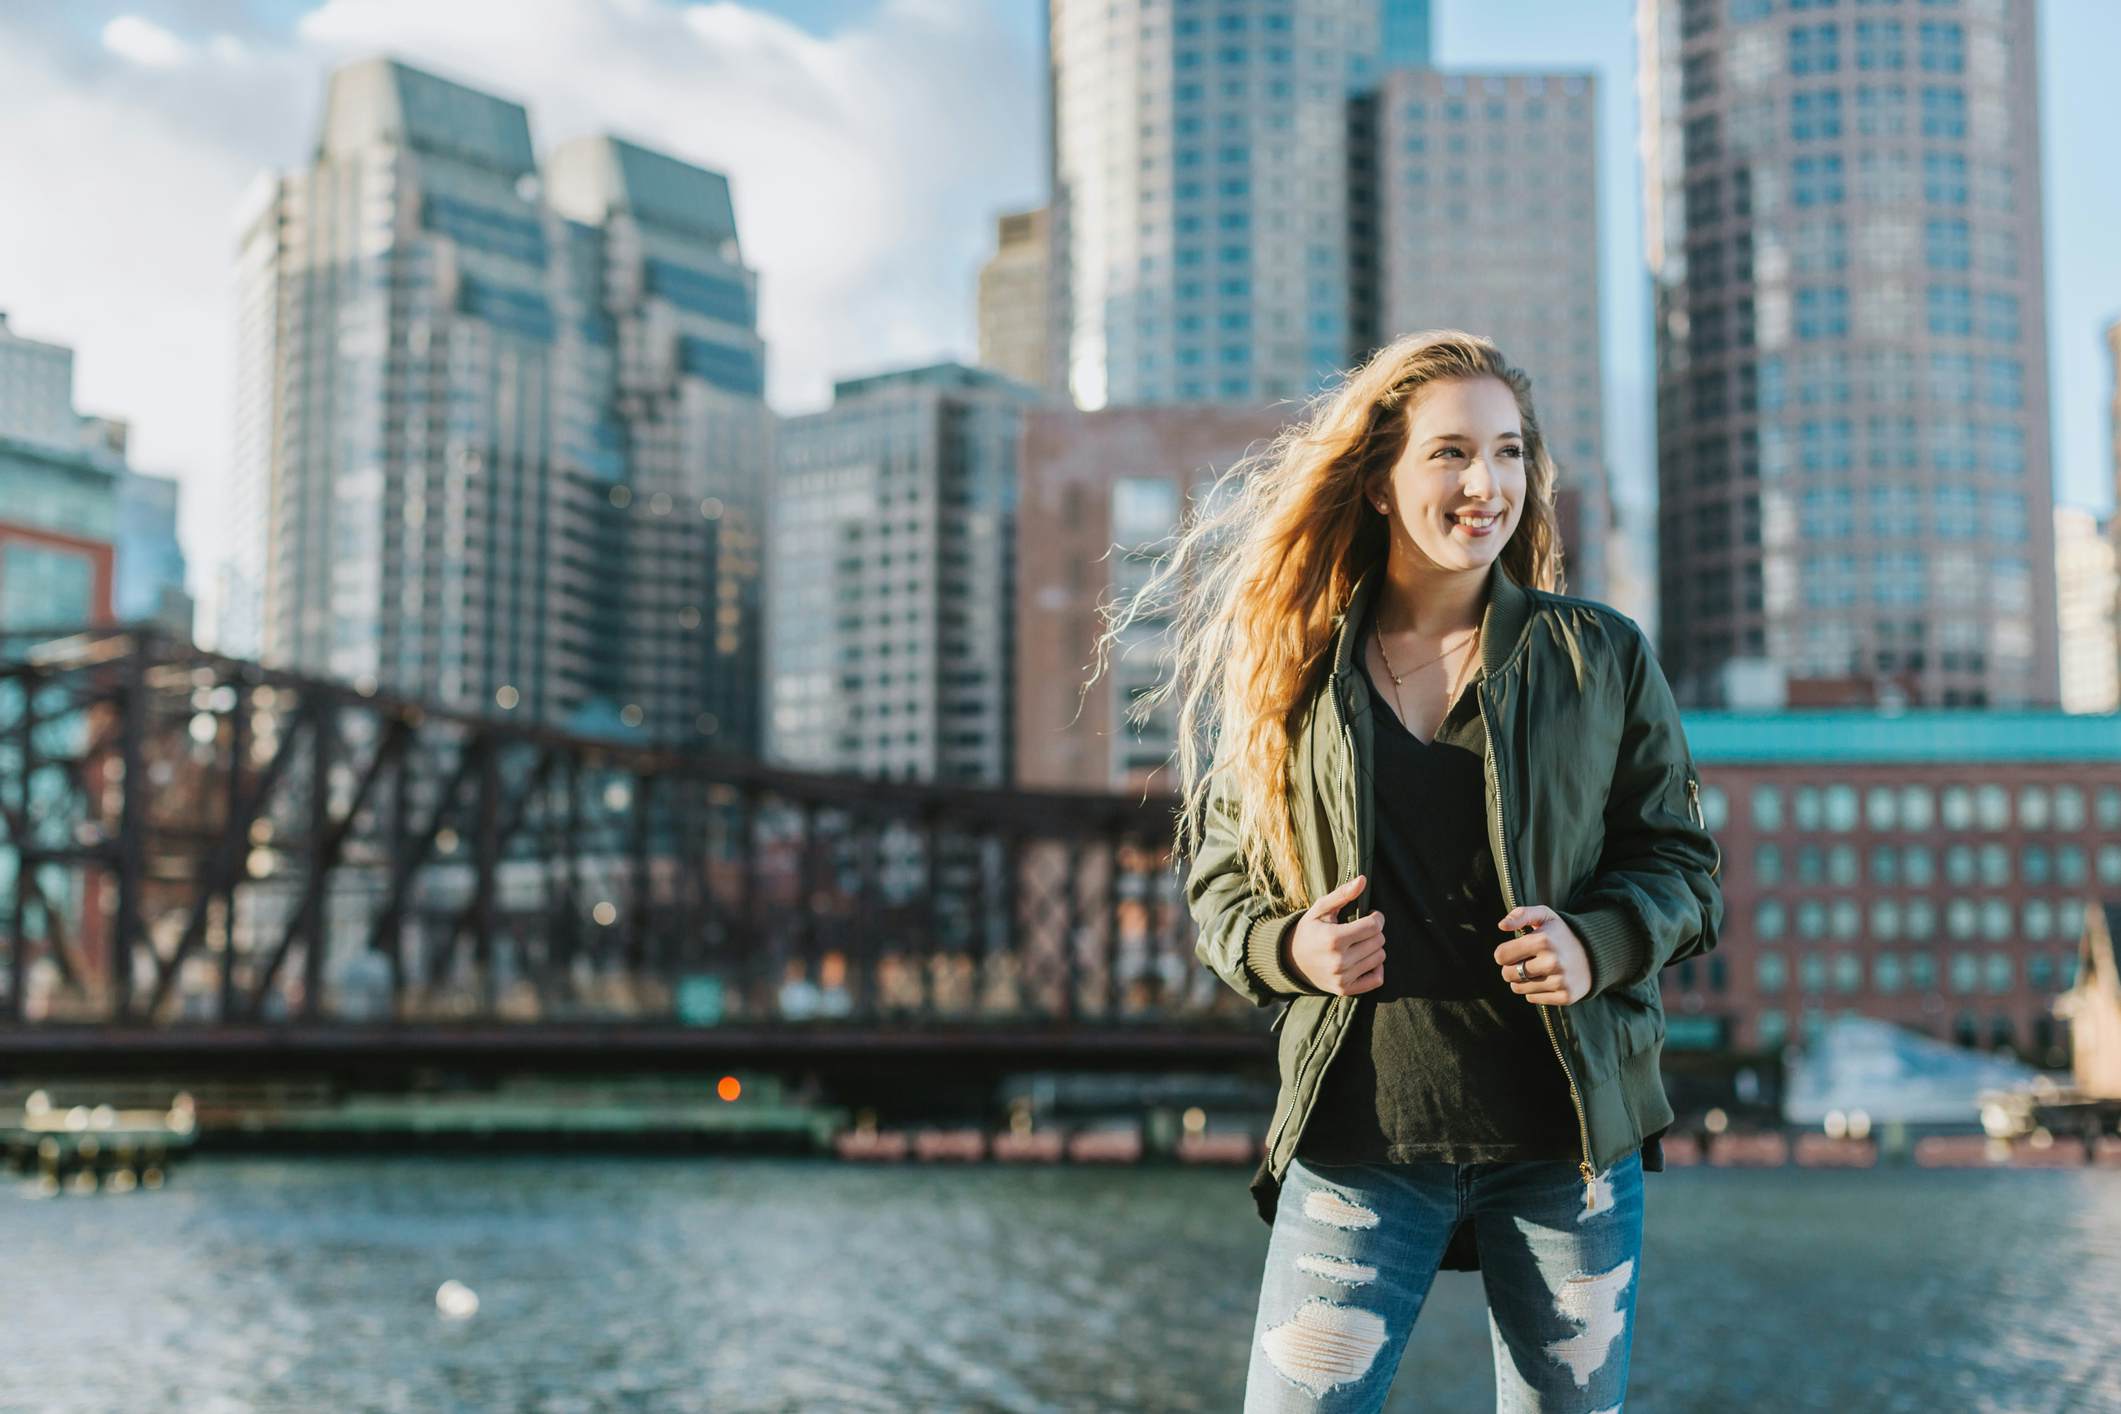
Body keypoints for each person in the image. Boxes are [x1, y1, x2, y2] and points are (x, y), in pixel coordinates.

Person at [1101, 331, 1723, 1410]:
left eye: (1510, 452)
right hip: (1361, 1141)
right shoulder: (1294, 675)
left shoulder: (1600, 656)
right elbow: (1218, 882)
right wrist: (1290, 947)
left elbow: (1682, 865)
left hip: (1566, 1149)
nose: (1487, 484)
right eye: (1449, 453)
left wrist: (1597, 942)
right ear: (1383, 480)